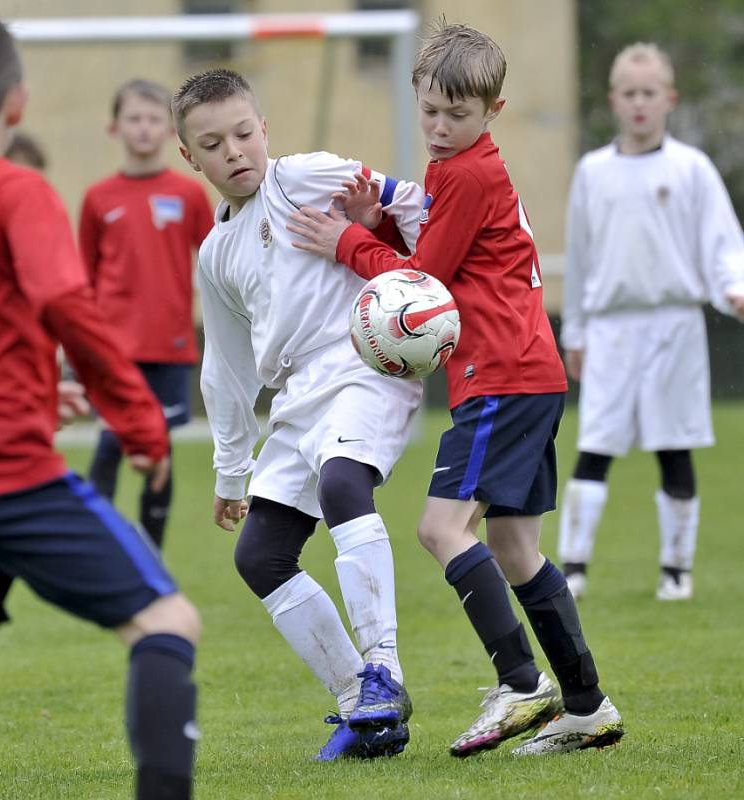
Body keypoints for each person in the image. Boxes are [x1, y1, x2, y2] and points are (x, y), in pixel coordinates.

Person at [288, 21, 624, 756]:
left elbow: (419, 286)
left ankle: (519, 682)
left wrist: (343, 240)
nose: (439, 128)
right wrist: (381, 225)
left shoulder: (467, 173)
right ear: (417, 98)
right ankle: (586, 706)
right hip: (526, 375)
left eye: (457, 115)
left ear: (492, 111)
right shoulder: (462, 170)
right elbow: (444, 263)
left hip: (500, 377)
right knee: (512, 545)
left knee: (441, 530)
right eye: (429, 111)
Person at [0, 10, 201, 799]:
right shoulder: (16, 190)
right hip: (6, 475)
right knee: (168, 625)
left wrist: (33, 386)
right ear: (17, 104)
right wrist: (138, 419)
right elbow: (67, 305)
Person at [171, 67, 423, 760]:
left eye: (245, 133)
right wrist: (231, 472)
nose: (235, 152)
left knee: (344, 482)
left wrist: (380, 235)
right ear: (189, 157)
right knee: (260, 556)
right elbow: (223, 369)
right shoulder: (216, 253)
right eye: (213, 143)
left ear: (265, 130)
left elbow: (422, 205)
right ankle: (365, 713)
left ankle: (384, 671)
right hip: (297, 398)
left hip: (364, 364)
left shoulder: (305, 177)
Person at [556, 43, 744, 602]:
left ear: (669, 99)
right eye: (630, 94)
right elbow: (582, 255)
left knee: (674, 444)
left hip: (675, 327)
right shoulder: (593, 171)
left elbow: (721, 241)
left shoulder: (691, 168)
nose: (640, 104)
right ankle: (573, 566)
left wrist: (734, 287)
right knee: (596, 444)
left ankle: (676, 571)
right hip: (612, 329)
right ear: (615, 100)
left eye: (650, 93)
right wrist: (577, 331)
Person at [79, 78, 213, 548]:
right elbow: (84, 278)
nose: (143, 128)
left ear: (170, 131)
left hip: (171, 346)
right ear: (115, 127)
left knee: (160, 449)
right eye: (133, 118)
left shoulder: (189, 194)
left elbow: (216, 259)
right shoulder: (98, 198)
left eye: (154, 119)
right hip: (114, 349)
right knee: (112, 441)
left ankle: (151, 551)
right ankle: (97, 545)